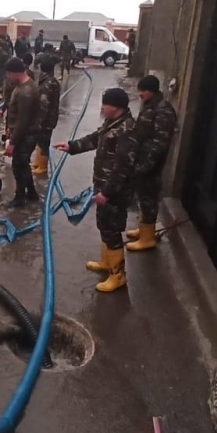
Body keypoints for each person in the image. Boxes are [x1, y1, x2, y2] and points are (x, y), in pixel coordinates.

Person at [54, 88, 138, 292]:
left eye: (105, 104)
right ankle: (107, 262)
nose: (102, 108)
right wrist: (72, 146)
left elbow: (122, 167)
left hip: (114, 191)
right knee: (104, 225)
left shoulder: (126, 131)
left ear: (115, 107)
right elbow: (95, 138)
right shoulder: (112, 123)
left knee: (112, 230)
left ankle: (117, 275)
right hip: (104, 185)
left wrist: (107, 192)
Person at [125, 76, 178, 251]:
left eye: (143, 91)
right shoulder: (150, 106)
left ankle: (148, 238)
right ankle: (144, 228)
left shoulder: (163, 111)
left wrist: (147, 165)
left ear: (151, 91)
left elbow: (160, 143)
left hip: (150, 163)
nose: (140, 94)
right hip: (142, 159)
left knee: (149, 198)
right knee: (142, 196)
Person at [2, 57, 41, 208]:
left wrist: (12, 142)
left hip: (26, 135)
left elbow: (22, 122)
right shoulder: (23, 86)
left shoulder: (26, 92)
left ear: (16, 72)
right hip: (24, 134)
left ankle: (19, 199)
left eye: (9, 74)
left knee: (18, 166)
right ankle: (31, 194)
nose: (8, 77)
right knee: (23, 164)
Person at [31, 55, 60, 177]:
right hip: (47, 118)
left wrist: (39, 121)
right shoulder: (49, 81)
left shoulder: (48, 83)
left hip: (46, 120)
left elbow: (44, 105)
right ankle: (38, 162)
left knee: (43, 141)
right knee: (40, 140)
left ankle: (42, 166)